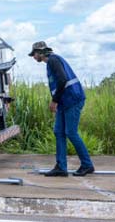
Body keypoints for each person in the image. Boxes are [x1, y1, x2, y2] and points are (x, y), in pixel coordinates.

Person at [29, 41, 95, 177]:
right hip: (64, 102)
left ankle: (87, 165)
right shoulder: (51, 62)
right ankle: (61, 167)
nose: (33, 57)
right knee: (59, 131)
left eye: (34, 54)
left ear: (41, 52)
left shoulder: (53, 60)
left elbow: (62, 80)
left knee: (71, 133)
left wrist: (54, 101)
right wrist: (58, 101)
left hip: (72, 100)